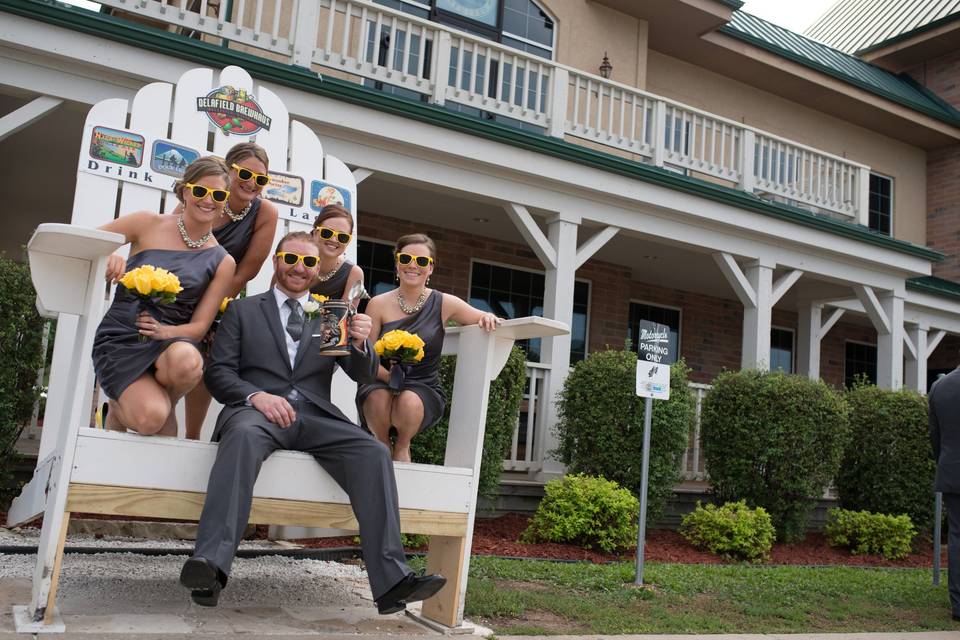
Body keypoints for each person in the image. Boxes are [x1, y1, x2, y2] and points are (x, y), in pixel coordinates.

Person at [180, 230, 446, 614]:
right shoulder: (243, 310)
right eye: (291, 259)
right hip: (258, 413)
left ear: (318, 270)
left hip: (315, 416)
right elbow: (219, 373)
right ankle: (211, 567)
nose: (298, 268)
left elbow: (360, 373)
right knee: (240, 438)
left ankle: (391, 582)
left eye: (308, 262)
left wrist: (359, 343)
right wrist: (257, 396)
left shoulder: (329, 316)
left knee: (372, 451)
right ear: (276, 261)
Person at [93, 156, 236, 436]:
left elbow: (198, 327)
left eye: (218, 194)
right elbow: (86, 241)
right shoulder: (146, 223)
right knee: (154, 422)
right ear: (185, 191)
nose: (208, 200)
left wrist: (164, 331)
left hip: (169, 343)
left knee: (190, 362)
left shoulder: (223, 261)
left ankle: (148, 406)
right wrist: (108, 254)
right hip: (123, 336)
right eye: (200, 191)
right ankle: (117, 411)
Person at [358, 233, 500, 462]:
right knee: (376, 398)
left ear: (431, 268)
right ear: (397, 263)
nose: (413, 265)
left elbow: (481, 315)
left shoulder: (444, 303)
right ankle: (381, 444)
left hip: (422, 386)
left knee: (409, 401)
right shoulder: (378, 303)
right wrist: (389, 377)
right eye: (406, 259)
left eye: (422, 261)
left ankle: (403, 446)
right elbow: (368, 356)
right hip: (381, 378)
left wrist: (488, 317)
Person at [184, 142, 280, 440]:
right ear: (228, 169)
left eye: (261, 179)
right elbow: (172, 232)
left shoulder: (266, 213)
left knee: (205, 364)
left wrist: (212, 303)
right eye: (245, 173)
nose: (252, 183)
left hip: (223, 295)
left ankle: (191, 435)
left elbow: (247, 270)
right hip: (179, 287)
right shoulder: (206, 196)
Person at [929, 366, 960, 622]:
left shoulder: (940, 387)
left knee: (957, 537)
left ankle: (959, 605)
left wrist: (945, 463)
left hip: (952, 472)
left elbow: (935, 436)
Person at [309, 203, 364, 301]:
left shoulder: (354, 274)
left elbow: (347, 314)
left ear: (348, 241)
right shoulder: (295, 259)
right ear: (315, 232)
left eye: (342, 237)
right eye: (327, 232)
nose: (334, 240)